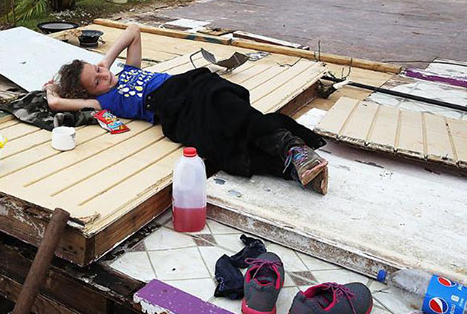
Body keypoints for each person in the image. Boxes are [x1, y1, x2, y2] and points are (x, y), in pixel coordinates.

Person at [44, 24, 330, 194]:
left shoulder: (126, 69)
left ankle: (291, 150)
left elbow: (133, 31)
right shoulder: (104, 101)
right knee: (219, 144)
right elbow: (56, 103)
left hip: (190, 85)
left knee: (228, 107)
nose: (103, 76)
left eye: (98, 70)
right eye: (96, 81)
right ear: (91, 92)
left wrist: (104, 61)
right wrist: (51, 88)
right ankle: (293, 162)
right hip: (172, 110)